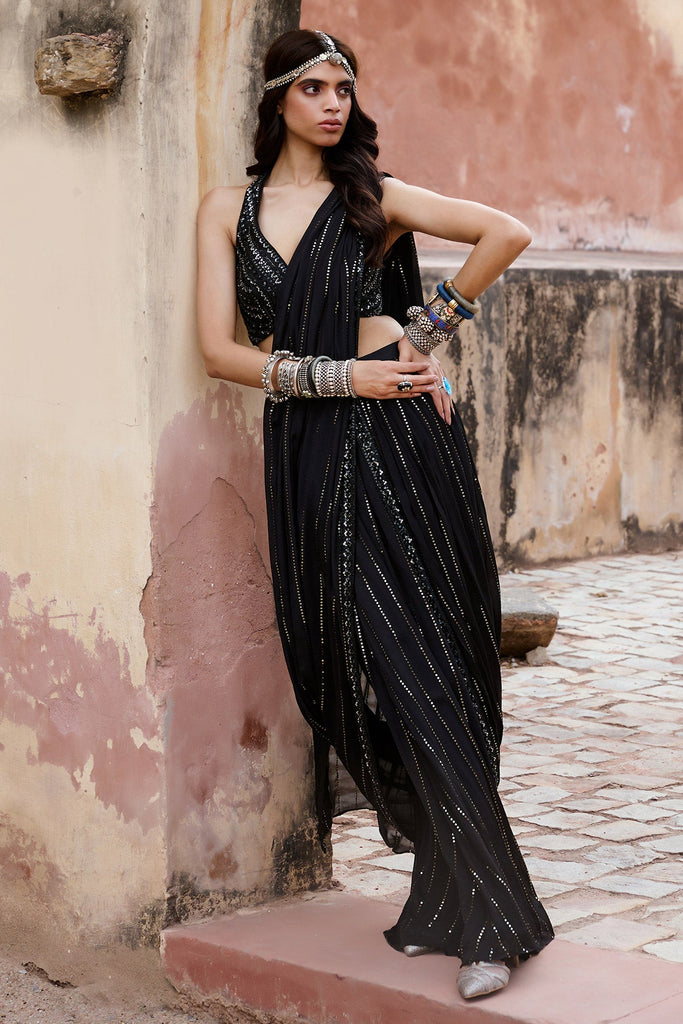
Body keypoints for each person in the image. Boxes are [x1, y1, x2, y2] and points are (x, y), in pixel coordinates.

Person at [196, 28, 554, 1000]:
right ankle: (447, 886)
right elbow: (220, 351)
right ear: (276, 99)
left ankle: (493, 917)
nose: (331, 104)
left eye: (343, 88)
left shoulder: (372, 197)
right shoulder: (227, 210)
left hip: (396, 445)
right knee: (338, 663)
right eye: (311, 87)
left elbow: (505, 232)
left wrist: (423, 335)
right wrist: (337, 375)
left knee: (418, 662)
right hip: (306, 448)